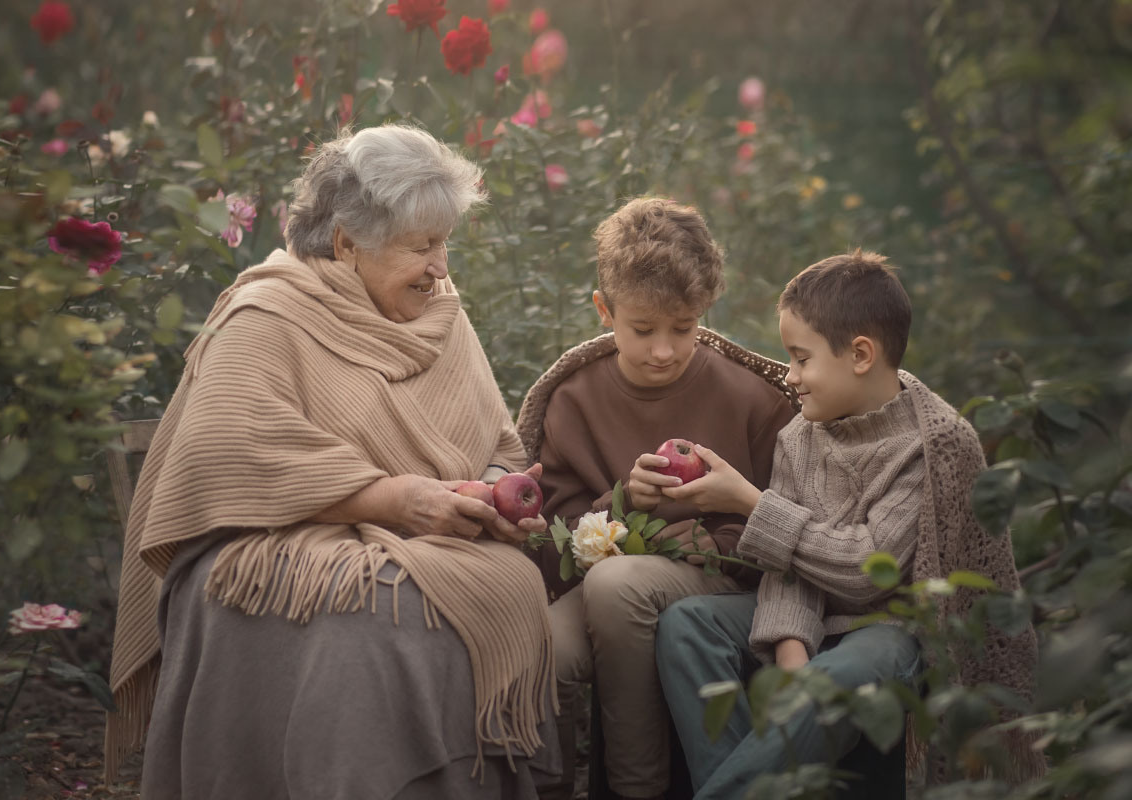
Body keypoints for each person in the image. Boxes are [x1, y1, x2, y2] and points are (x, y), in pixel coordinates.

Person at [104, 124, 559, 800]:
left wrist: (490, 495)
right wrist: (389, 500)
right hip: (266, 540)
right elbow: (226, 452)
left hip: (425, 536)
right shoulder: (267, 313)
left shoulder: (438, 310)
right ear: (348, 245)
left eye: (444, 243)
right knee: (382, 618)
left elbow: (493, 444)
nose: (440, 266)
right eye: (420, 246)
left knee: (488, 589)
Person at [655, 249, 1042, 797]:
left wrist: (751, 503)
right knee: (687, 625)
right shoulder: (799, 438)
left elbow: (870, 571)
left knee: (840, 676)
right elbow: (786, 566)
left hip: (890, 628)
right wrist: (790, 646)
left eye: (801, 358)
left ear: (860, 354)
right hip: (816, 616)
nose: (790, 377)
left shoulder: (933, 445)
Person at [519, 197, 796, 800]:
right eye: (643, 330)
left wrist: (714, 519)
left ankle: (635, 789)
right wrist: (621, 503)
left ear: (705, 313)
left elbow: (790, 525)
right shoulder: (575, 399)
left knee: (619, 587)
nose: (664, 350)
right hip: (601, 577)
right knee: (533, 641)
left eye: (685, 328)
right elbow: (553, 537)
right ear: (604, 311)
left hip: (721, 579)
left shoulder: (754, 398)